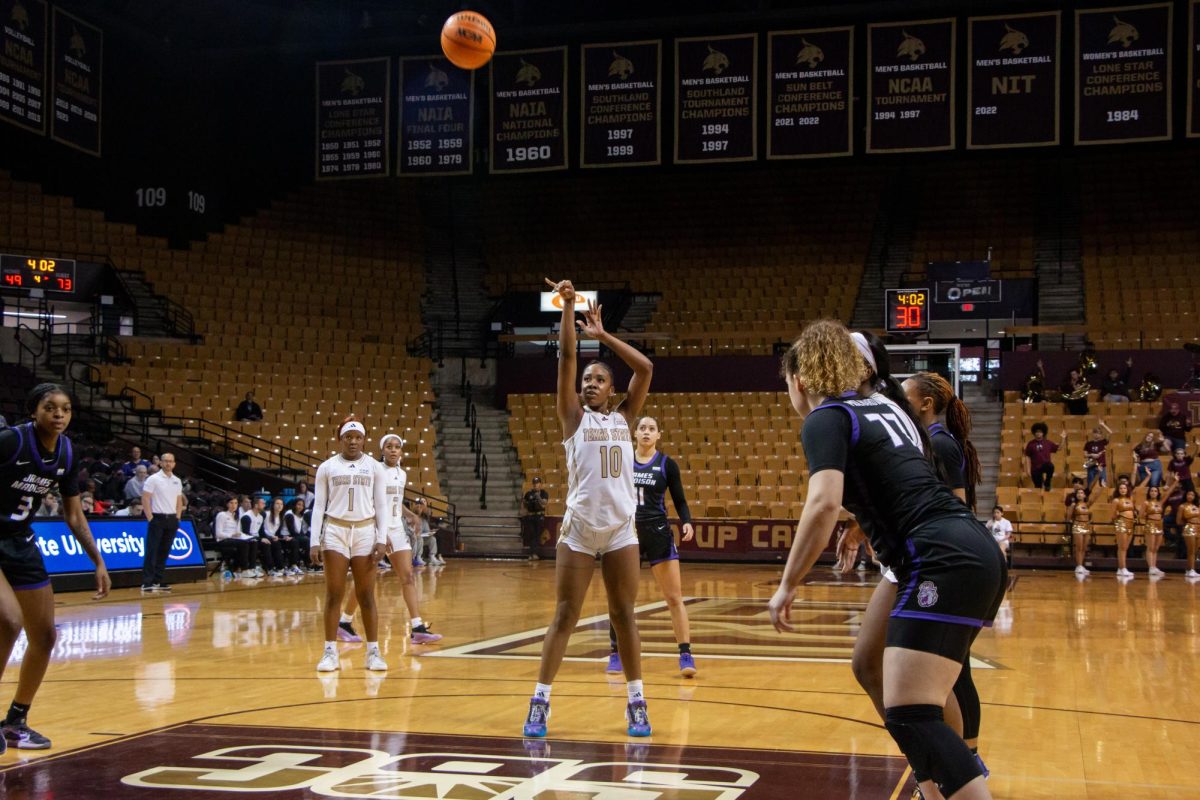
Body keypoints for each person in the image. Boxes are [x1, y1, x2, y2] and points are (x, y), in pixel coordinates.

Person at [768, 320, 1004, 800]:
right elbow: (901, 480)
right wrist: (867, 525)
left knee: (912, 708)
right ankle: (939, 780)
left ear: (799, 378)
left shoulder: (826, 417)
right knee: (874, 667)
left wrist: (788, 583)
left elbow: (822, 504)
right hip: (965, 544)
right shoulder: (886, 406)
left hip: (937, 555)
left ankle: (958, 781)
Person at [523, 279, 655, 740]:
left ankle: (636, 701)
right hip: (579, 530)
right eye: (587, 381)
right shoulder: (571, 417)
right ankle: (540, 701)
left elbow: (646, 368)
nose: (591, 383)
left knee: (624, 616)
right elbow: (566, 358)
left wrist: (605, 337)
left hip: (621, 530)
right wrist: (566, 309)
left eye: (599, 379)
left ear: (611, 388)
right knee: (565, 615)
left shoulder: (625, 418)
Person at [0, 383, 111, 752]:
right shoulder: (10, 441)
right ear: (35, 411)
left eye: (65, 408)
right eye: (50, 407)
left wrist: (98, 560)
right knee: (8, 620)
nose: (59, 414)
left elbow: (74, 515)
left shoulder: (66, 452)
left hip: (18, 540)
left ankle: (16, 720)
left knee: (45, 635)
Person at [605, 415, 697, 678]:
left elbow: (680, 500)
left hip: (658, 532)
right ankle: (615, 653)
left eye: (651, 429)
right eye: (642, 428)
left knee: (673, 597)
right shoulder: (622, 461)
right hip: (626, 533)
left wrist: (687, 522)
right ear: (635, 434)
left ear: (658, 435)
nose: (646, 432)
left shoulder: (668, 465)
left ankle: (685, 653)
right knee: (621, 600)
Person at [310, 416, 389, 673]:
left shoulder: (375, 468)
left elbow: (381, 505)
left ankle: (373, 651)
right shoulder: (327, 467)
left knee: (366, 595)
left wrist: (381, 537)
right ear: (340, 439)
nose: (353, 441)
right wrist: (314, 541)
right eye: (348, 437)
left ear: (364, 440)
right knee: (334, 593)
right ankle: (329, 652)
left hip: (365, 531)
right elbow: (319, 506)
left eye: (358, 437)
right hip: (335, 529)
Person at [377, 433, 442, 644]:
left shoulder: (401, 474)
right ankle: (345, 621)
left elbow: (395, 502)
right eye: (389, 446)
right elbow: (370, 504)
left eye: (397, 446)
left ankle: (417, 627)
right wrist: (380, 532)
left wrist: (410, 515)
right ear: (382, 450)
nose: (394, 449)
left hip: (397, 529)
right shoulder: (376, 472)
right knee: (366, 580)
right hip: (379, 529)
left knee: (408, 576)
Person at [140, 452, 183, 594]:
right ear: (160, 463)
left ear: (174, 463)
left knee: (164, 551)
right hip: (157, 518)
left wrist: (178, 516)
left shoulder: (177, 480)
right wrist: (150, 517)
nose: (168, 463)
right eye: (165, 461)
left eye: (171, 461)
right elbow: (145, 498)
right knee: (152, 550)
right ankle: (147, 582)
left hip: (171, 519)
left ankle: (158, 580)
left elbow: (179, 500)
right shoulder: (153, 479)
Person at [214, 496, 255, 578]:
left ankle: (252, 568)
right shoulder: (222, 515)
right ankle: (244, 569)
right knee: (243, 544)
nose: (234, 505)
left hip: (234, 540)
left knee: (253, 542)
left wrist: (244, 536)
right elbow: (218, 534)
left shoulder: (237, 516)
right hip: (223, 540)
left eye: (236, 503)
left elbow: (238, 531)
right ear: (227, 504)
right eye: (231, 503)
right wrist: (231, 535)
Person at [241, 497, 281, 577]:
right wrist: (261, 539)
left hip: (256, 538)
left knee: (273, 542)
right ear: (256, 505)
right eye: (262, 503)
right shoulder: (247, 517)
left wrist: (269, 537)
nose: (264, 505)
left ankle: (276, 568)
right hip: (247, 539)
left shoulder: (260, 517)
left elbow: (261, 532)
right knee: (261, 544)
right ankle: (255, 568)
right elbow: (246, 534)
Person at [1023, 423, 1066, 491]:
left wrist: (1063, 438)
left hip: (1045, 465)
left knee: (1050, 466)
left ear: (1043, 433)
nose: (1038, 433)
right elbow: (1027, 457)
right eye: (1036, 432)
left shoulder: (1048, 442)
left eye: (1040, 432)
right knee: (1038, 487)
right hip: (1035, 468)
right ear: (1034, 433)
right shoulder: (1030, 444)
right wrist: (1028, 470)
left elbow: (1059, 448)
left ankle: (1047, 482)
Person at [265, 497, 302, 575]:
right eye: (277, 503)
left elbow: (278, 532)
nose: (279, 506)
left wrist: (284, 537)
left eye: (281, 504)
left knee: (293, 541)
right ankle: (279, 568)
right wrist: (271, 537)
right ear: (273, 505)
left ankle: (293, 565)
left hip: (275, 537)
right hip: (267, 537)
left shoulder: (281, 516)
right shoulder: (267, 514)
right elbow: (262, 530)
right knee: (276, 543)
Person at [520, 477, 549, 560]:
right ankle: (531, 553)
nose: (536, 485)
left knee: (537, 535)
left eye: (538, 483)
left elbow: (544, 503)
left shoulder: (544, 493)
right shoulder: (529, 494)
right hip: (531, 516)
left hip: (539, 516)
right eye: (535, 483)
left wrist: (538, 497)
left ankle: (535, 553)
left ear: (541, 484)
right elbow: (524, 503)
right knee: (531, 535)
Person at [1112, 482, 1137, 579]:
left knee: (1126, 547)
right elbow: (1112, 516)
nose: (1123, 490)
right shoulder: (1116, 501)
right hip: (1121, 523)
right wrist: (1117, 514)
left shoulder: (1130, 499)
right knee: (1121, 547)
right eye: (1121, 488)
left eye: (1124, 488)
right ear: (1118, 490)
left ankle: (1121, 568)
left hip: (1130, 524)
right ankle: (1122, 567)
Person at [1068, 488, 1094, 578]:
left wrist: (1102, 488)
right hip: (1078, 525)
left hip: (1086, 526)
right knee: (1078, 547)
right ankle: (1078, 566)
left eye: (1082, 493)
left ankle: (1081, 565)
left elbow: (1095, 498)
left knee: (1084, 547)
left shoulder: (1087, 504)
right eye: (1078, 493)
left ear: (1084, 495)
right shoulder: (1074, 505)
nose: (1080, 494)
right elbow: (1069, 517)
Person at [1141, 486, 1165, 579]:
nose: (1153, 492)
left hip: (1159, 525)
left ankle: (1154, 566)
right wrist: (1148, 513)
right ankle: (1150, 567)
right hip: (1150, 523)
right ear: (1149, 492)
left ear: (1158, 493)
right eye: (1152, 491)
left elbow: (1167, 493)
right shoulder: (1146, 503)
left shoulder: (1160, 503)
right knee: (1150, 547)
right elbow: (1141, 516)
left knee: (1156, 547)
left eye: (1155, 491)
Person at [1083, 420, 1113, 491]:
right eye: (1095, 433)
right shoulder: (1088, 444)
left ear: (1101, 435)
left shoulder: (1103, 442)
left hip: (1101, 465)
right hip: (1091, 465)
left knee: (1103, 484)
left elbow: (1110, 432)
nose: (1097, 434)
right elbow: (1085, 455)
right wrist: (1092, 455)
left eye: (1099, 433)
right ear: (1093, 434)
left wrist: (1103, 425)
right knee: (1090, 484)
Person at [1178, 490, 1200, 578]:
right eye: (1188, 494)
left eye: (1192, 495)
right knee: (1191, 550)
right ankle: (1192, 569)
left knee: (1195, 551)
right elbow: (1178, 521)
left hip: (1198, 527)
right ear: (1185, 495)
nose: (1190, 496)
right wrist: (1189, 519)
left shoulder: (1197, 506)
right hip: (1189, 527)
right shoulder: (1182, 506)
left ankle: (1188, 569)